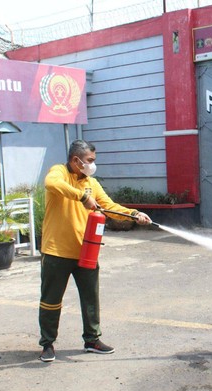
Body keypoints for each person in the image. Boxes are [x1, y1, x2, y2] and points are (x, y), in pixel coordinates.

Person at [38, 139, 151, 362]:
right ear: (75, 160)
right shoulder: (58, 172)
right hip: (56, 251)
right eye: (89, 160)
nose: (92, 164)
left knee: (91, 297)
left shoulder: (92, 182)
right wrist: (82, 197)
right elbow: (52, 184)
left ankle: (92, 340)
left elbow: (110, 207)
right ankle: (47, 344)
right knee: (51, 300)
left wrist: (135, 214)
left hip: (86, 251)